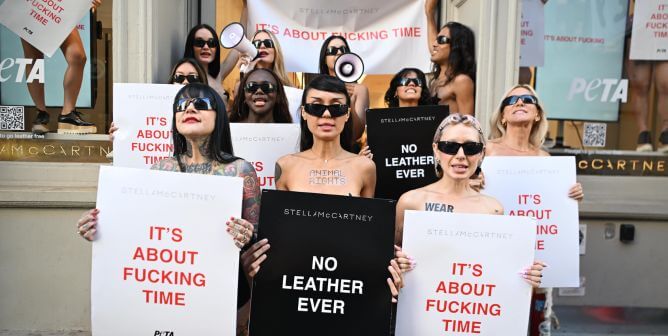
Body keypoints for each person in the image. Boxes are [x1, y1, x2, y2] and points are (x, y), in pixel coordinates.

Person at [77, 83, 260, 335]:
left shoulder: (241, 171)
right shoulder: (161, 170)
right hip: (172, 292)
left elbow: (257, 240)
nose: (190, 108)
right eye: (181, 106)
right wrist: (100, 228)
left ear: (219, 114)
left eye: (201, 104)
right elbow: (142, 233)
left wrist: (246, 235)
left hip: (220, 296)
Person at [240, 75, 403, 302]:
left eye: (336, 108)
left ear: (347, 114)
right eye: (316, 107)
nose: (326, 115)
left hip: (347, 279)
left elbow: (369, 235)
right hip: (298, 277)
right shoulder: (285, 166)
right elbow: (282, 233)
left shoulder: (364, 167)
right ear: (305, 112)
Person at [394, 112, 544, 279]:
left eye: (471, 148)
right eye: (449, 146)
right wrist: (395, 261)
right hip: (422, 302)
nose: (460, 155)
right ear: (436, 150)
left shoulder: (492, 209)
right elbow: (388, 256)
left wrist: (524, 273)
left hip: (472, 301)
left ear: (481, 153)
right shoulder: (411, 202)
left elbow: (498, 265)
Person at [486, 84, 584, 200]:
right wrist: (469, 184)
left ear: (537, 114)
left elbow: (551, 198)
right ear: (502, 116)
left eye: (528, 100)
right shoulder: (486, 150)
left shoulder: (544, 157)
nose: (520, 103)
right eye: (511, 100)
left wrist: (571, 194)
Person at [26, 0, 102, 135]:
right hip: (32, 4)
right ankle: (41, 113)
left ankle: (67, 114)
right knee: (34, 58)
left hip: (58, 5)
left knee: (77, 56)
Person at [107, 58, 209, 141]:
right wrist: (120, 138)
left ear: (202, 81)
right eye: (179, 77)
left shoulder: (211, 113)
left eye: (193, 78)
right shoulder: (156, 109)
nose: (185, 82)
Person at [425, 0, 476, 115]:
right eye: (436, 40)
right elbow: (435, 47)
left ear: (456, 46)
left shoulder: (461, 81)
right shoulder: (437, 80)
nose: (434, 44)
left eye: (441, 40)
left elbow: (468, 124)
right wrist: (429, 13)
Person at [318, 36, 370, 142]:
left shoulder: (359, 90)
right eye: (332, 50)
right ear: (324, 58)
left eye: (343, 50)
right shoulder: (316, 89)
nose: (338, 53)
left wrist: (348, 103)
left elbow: (357, 134)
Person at [183, 24, 239, 101]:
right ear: (191, 47)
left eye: (211, 43)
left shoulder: (218, 74)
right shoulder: (185, 78)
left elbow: (240, 41)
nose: (206, 47)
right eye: (199, 42)